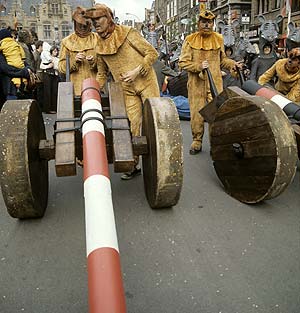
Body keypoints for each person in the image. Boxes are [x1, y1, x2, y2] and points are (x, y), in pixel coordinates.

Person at [84, 3, 160, 180]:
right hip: (126, 89)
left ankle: (160, 163)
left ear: (108, 18)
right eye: (93, 20)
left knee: (155, 121)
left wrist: (136, 71)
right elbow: (102, 74)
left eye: (99, 19)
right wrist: (93, 90)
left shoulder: (127, 33)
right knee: (133, 127)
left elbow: (152, 53)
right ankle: (133, 164)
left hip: (146, 81)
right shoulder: (99, 45)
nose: (96, 23)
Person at [179, 10, 239, 154]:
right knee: (197, 113)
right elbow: (183, 62)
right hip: (196, 83)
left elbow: (222, 60)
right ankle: (197, 141)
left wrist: (233, 65)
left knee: (216, 113)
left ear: (213, 24)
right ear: (199, 23)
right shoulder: (190, 39)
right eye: (204, 22)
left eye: (210, 22)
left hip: (215, 83)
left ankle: (216, 143)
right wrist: (198, 66)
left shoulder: (218, 38)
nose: (207, 24)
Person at [58, 6, 99, 96]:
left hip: (96, 89)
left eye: (85, 25)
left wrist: (94, 62)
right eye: (80, 24)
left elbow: (106, 66)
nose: (83, 27)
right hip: (75, 90)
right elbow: (61, 67)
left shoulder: (98, 39)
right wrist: (74, 61)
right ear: (75, 23)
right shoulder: (67, 42)